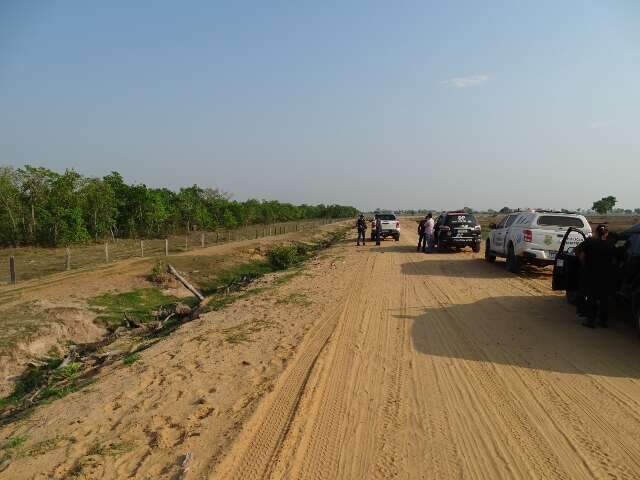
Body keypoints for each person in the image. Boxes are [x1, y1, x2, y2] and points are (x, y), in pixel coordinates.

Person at [577, 224, 617, 328]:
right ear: (606, 234)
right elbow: (615, 260)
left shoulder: (590, 242)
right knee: (604, 299)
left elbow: (579, 253)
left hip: (591, 274)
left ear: (596, 232)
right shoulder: (611, 245)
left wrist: (585, 264)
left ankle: (590, 321)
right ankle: (603, 321)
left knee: (591, 297)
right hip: (606, 276)